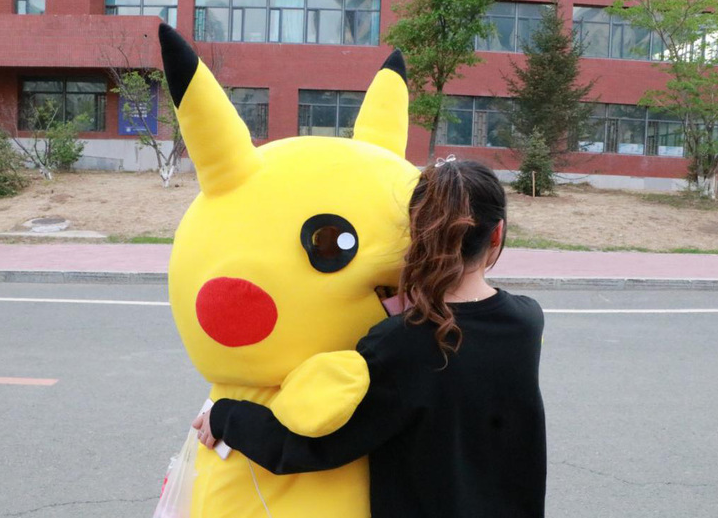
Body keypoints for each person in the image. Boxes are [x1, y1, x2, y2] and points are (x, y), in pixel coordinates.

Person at [193, 158, 547, 518]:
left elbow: (316, 447)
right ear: (497, 233)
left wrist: (226, 416)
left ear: (417, 233)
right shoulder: (527, 321)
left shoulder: (399, 342)